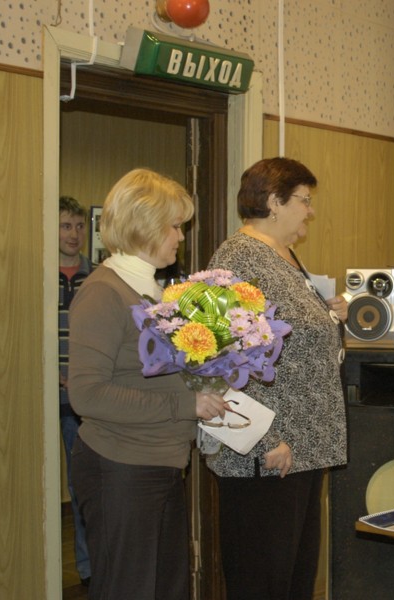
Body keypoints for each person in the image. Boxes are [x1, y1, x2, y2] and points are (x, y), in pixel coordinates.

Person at [68, 168, 228, 600]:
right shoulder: (105, 293)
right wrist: (185, 406)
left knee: (165, 589)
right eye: (174, 226)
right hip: (121, 467)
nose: (181, 237)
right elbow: (87, 395)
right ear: (145, 225)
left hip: (160, 464)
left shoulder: (151, 292)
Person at [205, 157, 348, 600]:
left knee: (293, 580)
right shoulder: (237, 258)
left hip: (302, 447)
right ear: (273, 202)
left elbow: (289, 335)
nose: (310, 210)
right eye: (303, 200)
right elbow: (216, 359)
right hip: (267, 453)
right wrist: (264, 439)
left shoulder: (283, 256)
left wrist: (331, 315)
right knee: (262, 581)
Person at [57, 195, 93, 587]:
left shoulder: (95, 277)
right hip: (37, 396)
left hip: (79, 402)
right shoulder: (40, 275)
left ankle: (87, 569)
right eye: (65, 226)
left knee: (79, 484)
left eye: (79, 226)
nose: (73, 234)